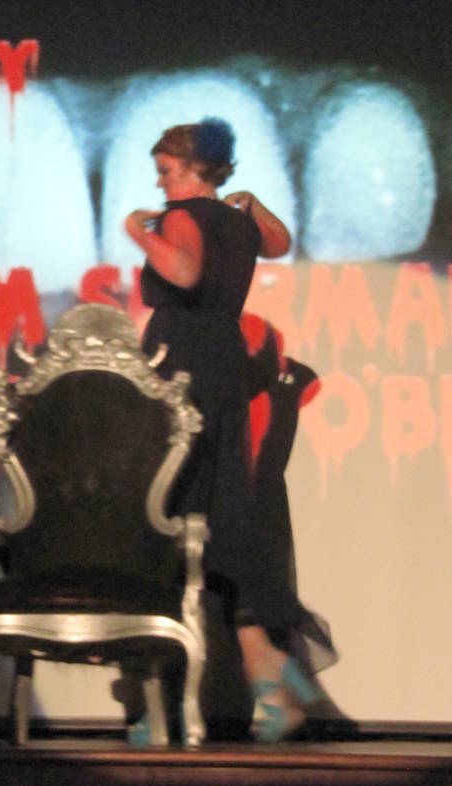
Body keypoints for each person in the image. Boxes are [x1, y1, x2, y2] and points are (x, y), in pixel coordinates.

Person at [125, 118, 336, 742]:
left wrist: (139, 231)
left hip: (185, 370)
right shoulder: (239, 222)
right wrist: (253, 204)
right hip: (221, 367)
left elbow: (184, 273)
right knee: (216, 525)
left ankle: (167, 706)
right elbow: (278, 241)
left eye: (167, 172)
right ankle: (269, 681)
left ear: (195, 170)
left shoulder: (180, 216)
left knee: (170, 520)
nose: (161, 184)